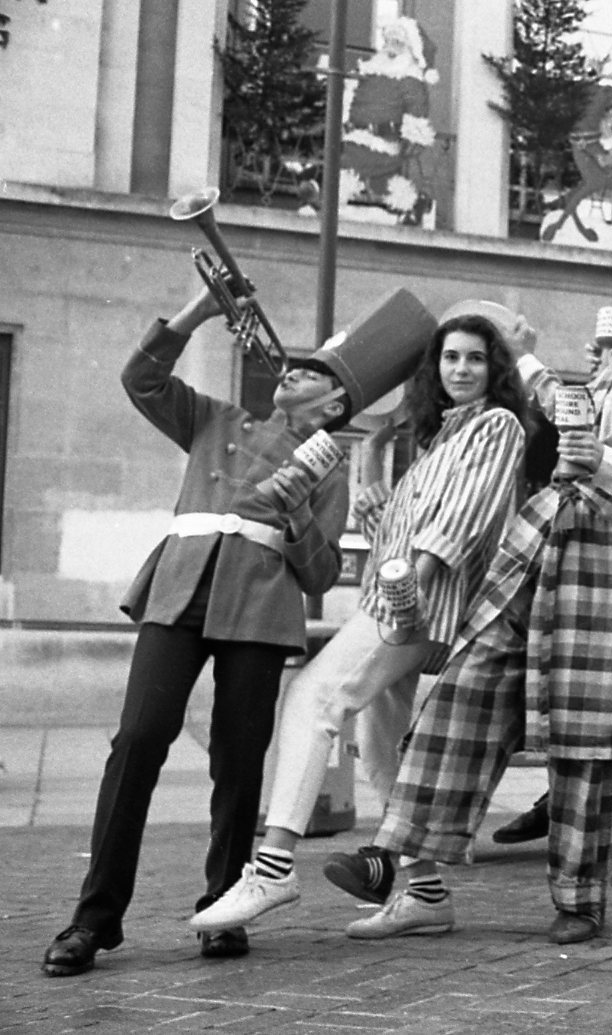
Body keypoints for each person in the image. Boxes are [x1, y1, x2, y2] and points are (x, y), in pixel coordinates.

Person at [329, 257, 612, 946]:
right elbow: (541, 393)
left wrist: (603, 460)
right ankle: (400, 861)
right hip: (535, 551)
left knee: (589, 736)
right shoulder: (599, 380)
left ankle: (581, 896)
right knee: (462, 690)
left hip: (606, 570)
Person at [42, 284, 391, 977]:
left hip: (258, 606)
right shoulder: (214, 416)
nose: (294, 371)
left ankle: (223, 903)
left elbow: (321, 570)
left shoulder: (327, 466)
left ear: (333, 405)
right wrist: (199, 311)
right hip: (180, 590)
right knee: (138, 739)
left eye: (314, 372)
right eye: (296, 365)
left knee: (238, 756)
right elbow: (140, 378)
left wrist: (292, 512)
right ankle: (94, 917)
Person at [185, 310, 530, 934]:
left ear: (494, 368)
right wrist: (379, 516)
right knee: (378, 736)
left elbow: (465, 521)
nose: (461, 369)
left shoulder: (497, 425)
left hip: (415, 606)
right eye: (450, 357)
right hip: (402, 599)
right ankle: (426, 893)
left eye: (475, 359)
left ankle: (271, 868)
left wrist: (407, 586)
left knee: (314, 695)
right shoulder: (439, 440)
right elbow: (418, 524)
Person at [339, 16, 438, 223]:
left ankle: (325, 192)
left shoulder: (410, 80)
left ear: (409, 47)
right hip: (355, 135)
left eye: (398, 42)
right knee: (364, 174)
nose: (390, 46)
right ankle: (409, 205)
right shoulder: (370, 71)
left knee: (361, 169)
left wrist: (414, 137)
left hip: (383, 140)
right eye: (388, 41)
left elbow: (417, 111)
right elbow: (349, 96)